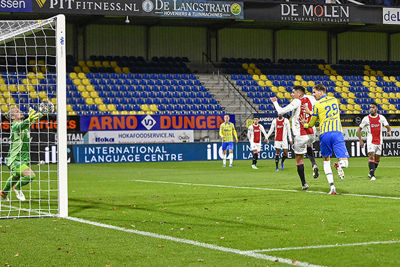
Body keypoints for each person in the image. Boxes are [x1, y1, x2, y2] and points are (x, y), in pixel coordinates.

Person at [300, 84, 349, 195]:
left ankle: (332, 188)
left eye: (314, 92)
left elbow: (312, 123)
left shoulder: (317, 105)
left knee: (326, 161)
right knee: (345, 162)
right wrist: (311, 112)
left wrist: (305, 124)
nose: (313, 94)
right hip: (337, 133)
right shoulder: (334, 100)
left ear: (321, 91)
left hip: (325, 135)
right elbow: (326, 113)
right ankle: (339, 165)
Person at [270, 86, 319, 190]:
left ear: (299, 94)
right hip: (311, 132)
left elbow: (281, 111)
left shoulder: (297, 101)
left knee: (299, 159)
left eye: (293, 93)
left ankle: (304, 184)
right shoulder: (311, 98)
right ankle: (314, 164)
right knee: (309, 145)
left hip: (301, 134)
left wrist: (274, 102)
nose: (291, 95)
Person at [0, 107, 42, 201]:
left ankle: (4, 192)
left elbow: (31, 121)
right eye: (17, 112)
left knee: (16, 176)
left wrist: (42, 113)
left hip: (23, 159)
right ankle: (17, 188)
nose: (20, 112)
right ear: (12, 117)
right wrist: (29, 119)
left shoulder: (24, 126)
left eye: (20, 110)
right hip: (15, 159)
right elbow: (23, 125)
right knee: (30, 176)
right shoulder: (15, 126)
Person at [357, 102, 391, 181]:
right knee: (371, 155)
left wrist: (388, 131)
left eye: (373, 107)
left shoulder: (381, 117)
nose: (371, 109)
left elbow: (388, 127)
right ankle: (372, 175)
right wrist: (361, 140)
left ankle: (371, 172)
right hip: (370, 140)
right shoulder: (366, 118)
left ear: (376, 108)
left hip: (379, 140)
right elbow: (359, 130)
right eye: (370, 107)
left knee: (377, 159)